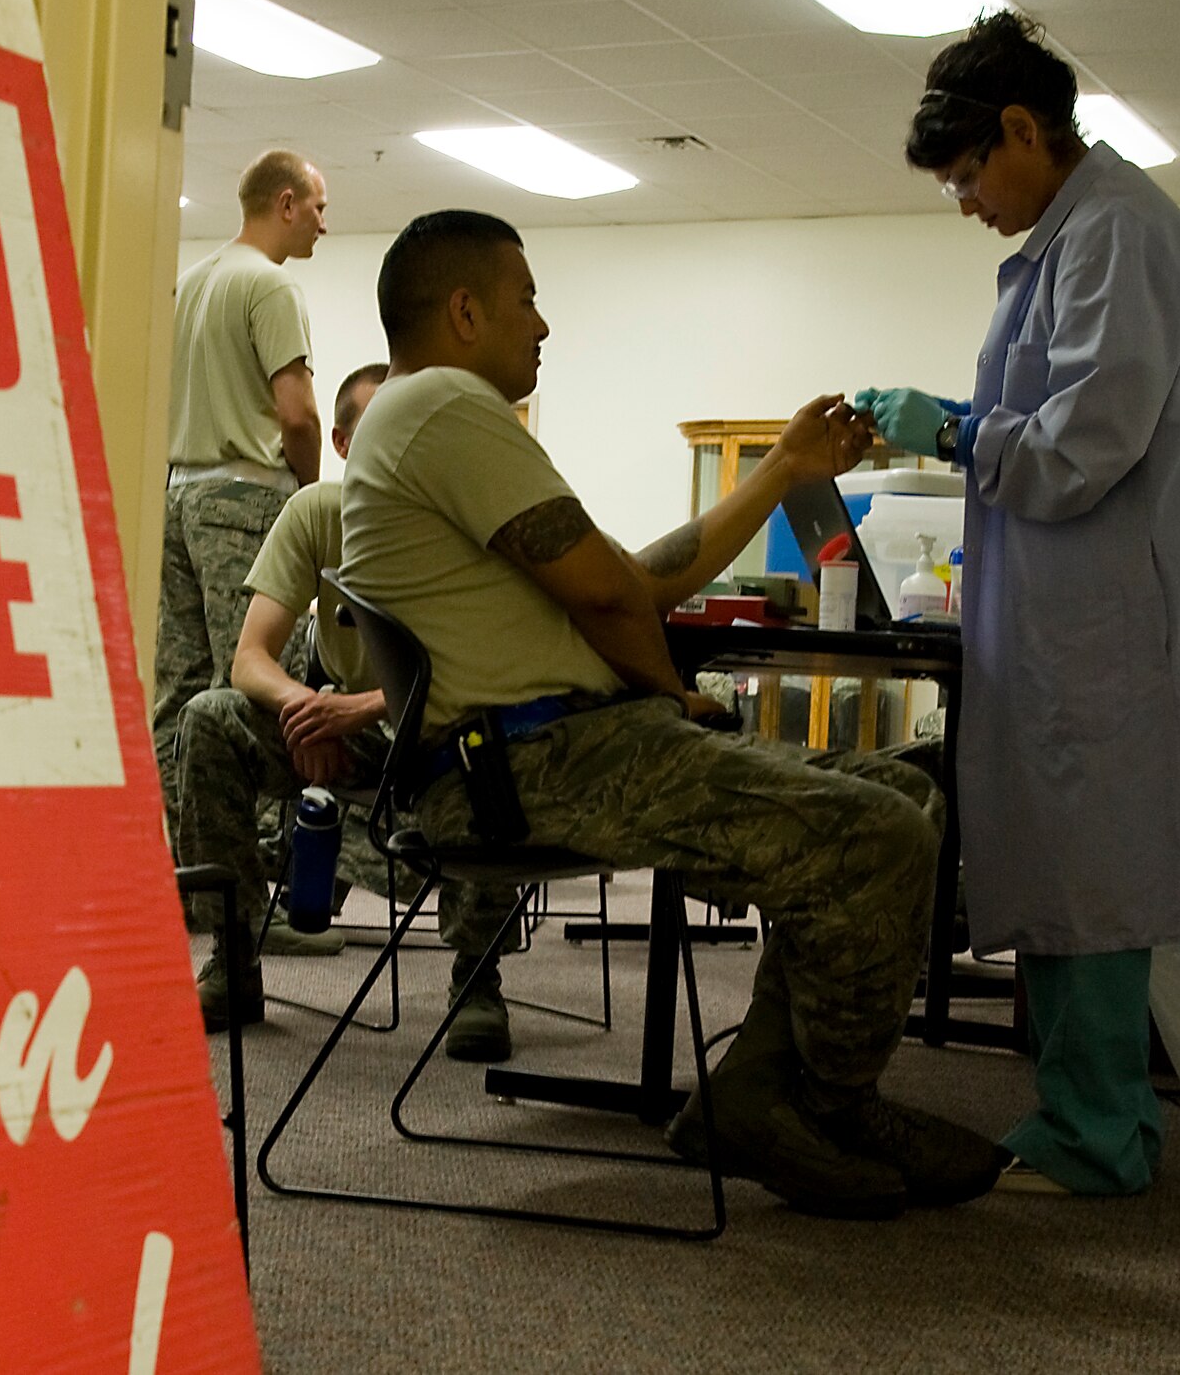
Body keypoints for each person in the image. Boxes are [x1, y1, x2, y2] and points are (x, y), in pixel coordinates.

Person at [341, 209, 1001, 1220]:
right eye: (525, 299)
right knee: (874, 832)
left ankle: (760, 1097)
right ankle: (826, 1107)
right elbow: (612, 599)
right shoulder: (439, 406)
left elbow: (634, 581)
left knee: (902, 790)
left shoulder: (435, 419)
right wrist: (669, 695)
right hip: (536, 762)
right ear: (463, 311)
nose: (543, 324)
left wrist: (781, 467)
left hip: (560, 747)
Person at [857, 13, 1180, 1197]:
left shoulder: (1115, 234)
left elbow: (1078, 449)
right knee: (1065, 865)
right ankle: (1073, 1116)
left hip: (1117, 629)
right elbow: (1058, 424)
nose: (961, 202)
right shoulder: (1078, 238)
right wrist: (963, 425)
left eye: (963, 175)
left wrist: (950, 429)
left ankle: (1099, 1136)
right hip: (1077, 620)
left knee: (1096, 881)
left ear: (1017, 130)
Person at [178, 364, 521, 1062]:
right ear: (340, 443)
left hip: (442, 726)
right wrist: (307, 708)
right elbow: (251, 656)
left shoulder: (463, 515)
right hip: (346, 725)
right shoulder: (314, 513)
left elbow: (484, 667)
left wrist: (356, 711)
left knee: (484, 740)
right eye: (379, 435)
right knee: (209, 719)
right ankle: (233, 959)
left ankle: (477, 977)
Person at [154, 149, 329, 828]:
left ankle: (188, 866)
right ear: (284, 203)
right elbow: (299, 413)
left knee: (180, 688)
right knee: (250, 687)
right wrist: (308, 499)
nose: (322, 224)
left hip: (178, 496)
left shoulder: (192, 283)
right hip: (245, 500)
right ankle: (250, 877)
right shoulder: (271, 286)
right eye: (317, 208)